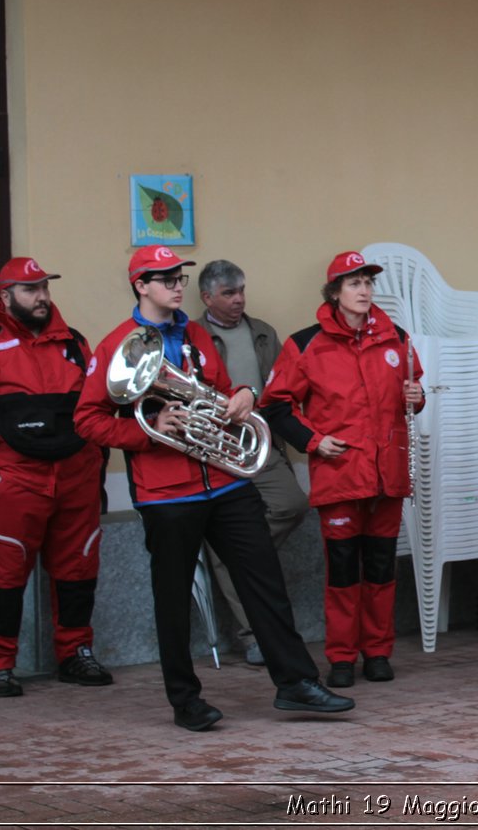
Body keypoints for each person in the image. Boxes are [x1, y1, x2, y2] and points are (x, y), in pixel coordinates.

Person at [75, 245, 353, 730]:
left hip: (225, 482)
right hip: (167, 494)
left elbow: (221, 390)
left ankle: (297, 684)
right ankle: (186, 702)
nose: (176, 285)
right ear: (141, 285)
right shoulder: (117, 345)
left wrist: (244, 394)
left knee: (265, 583)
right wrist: (147, 429)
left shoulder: (197, 333)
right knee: (172, 599)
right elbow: (87, 420)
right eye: (164, 278)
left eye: (179, 276)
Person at [0, 257, 112, 697]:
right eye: (30, 289)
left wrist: (96, 470)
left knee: (78, 572)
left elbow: (98, 409)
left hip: (77, 477)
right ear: (5, 297)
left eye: (44, 288)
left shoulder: (75, 344)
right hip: (15, 480)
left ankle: (75, 655)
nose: (41, 297)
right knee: (5, 577)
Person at [262, 251, 425, 688]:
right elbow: (276, 405)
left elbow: (413, 393)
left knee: (380, 568)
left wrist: (418, 396)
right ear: (334, 292)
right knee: (343, 570)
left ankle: (377, 652)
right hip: (340, 473)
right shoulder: (305, 343)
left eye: (368, 283)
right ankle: (340, 657)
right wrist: (314, 442)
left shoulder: (398, 339)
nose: (364, 291)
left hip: (388, 472)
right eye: (354, 284)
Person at [195, 260, 309, 667]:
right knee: (229, 544)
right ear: (208, 297)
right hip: (213, 447)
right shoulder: (193, 337)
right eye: (228, 293)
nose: (238, 299)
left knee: (293, 503)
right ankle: (252, 636)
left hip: (261, 443)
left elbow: (283, 387)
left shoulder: (263, 332)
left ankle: (242, 550)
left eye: (241, 290)